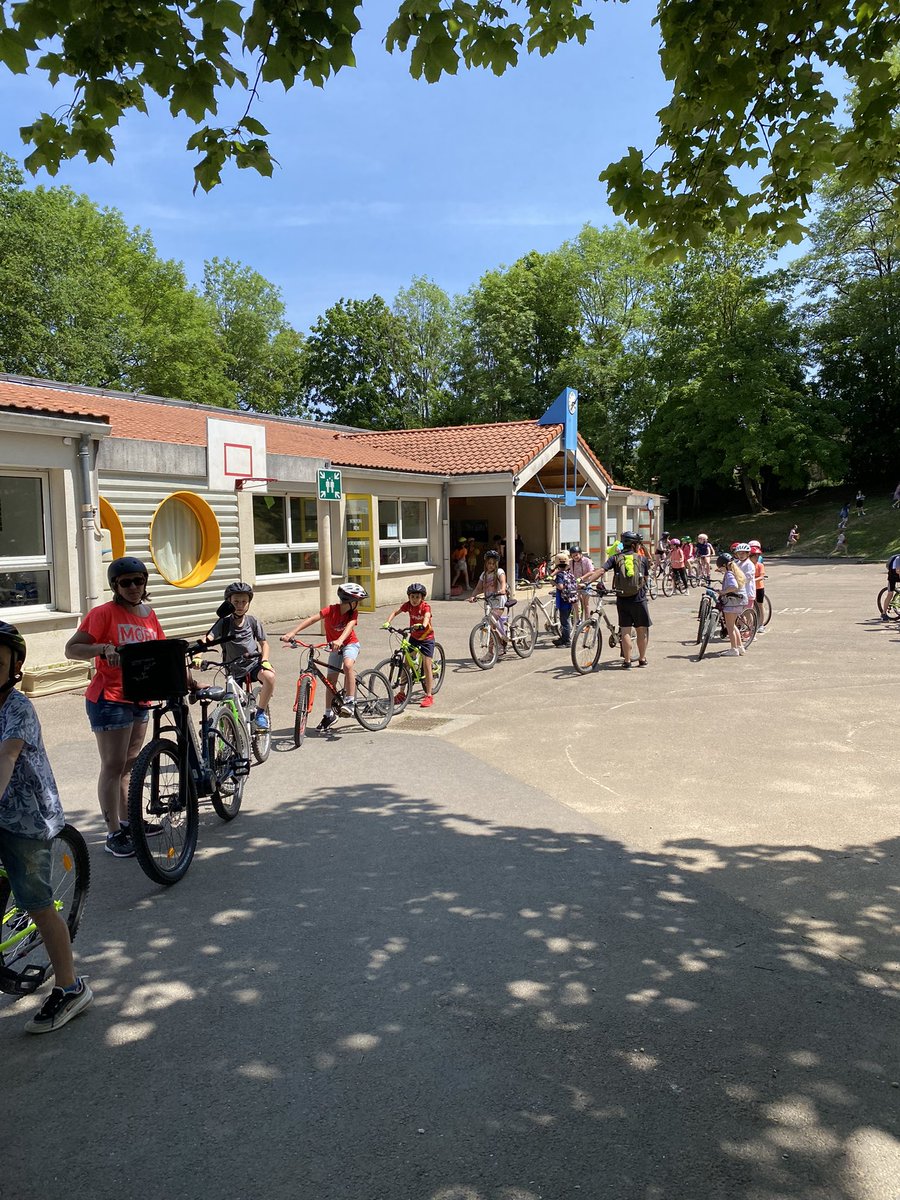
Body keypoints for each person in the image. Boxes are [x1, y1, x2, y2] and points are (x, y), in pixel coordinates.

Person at [0, 622, 94, 1032]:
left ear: (14, 667)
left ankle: (71, 988)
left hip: (25, 818)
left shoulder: (18, 708)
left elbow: (6, 757)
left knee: (37, 903)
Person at [65, 557, 164, 858]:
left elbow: (160, 650)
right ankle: (112, 834)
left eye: (139, 581)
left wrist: (188, 679)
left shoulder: (149, 615)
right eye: (126, 582)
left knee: (130, 764)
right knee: (112, 765)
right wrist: (102, 648)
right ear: (115, 586)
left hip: (140, 697)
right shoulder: (103, 613)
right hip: (109, 698)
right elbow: (72, 648)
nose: (134, 587)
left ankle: (129, 821)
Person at [281, 582, 368, 731]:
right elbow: (312, 619)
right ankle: (329, 715)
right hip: (333, 647)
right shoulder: (331, 610)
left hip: (349, 644)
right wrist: (292, 633)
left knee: (348, 665)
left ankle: (350, 701)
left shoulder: (353, 613)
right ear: (351, 602)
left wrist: (340, 640)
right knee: (330, 681)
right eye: (357, 602)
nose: (358, 604)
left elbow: (349, 628)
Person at [203, 582, 275, 729]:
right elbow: (207, 640)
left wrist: (265, 660)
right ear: (228, 602)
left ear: (248, 603)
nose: (240, 605)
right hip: (233, 669)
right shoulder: (223, 623)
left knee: (270, 677)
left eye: (244, 602)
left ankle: (260, 713)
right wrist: (197, 655)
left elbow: (264, 644)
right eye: (236, 601)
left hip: (253, 664)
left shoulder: (253, 621)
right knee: (231, 706)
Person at [581, 530, 651, 668]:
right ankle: (642, 659)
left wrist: (586, 583)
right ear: (634, 545)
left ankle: (627, 661)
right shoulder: (642, 559)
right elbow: (646, 579)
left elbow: (601, 571)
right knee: (641, 630)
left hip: (622, 598)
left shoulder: (615, 558)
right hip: (639, 599)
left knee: (625, 630)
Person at [383, 583, 437, 707]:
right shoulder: (408, 605)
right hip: (414, 637)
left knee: (427, 665)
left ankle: (428, 695)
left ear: (422, 598)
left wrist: (423, 624)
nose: (414, 600)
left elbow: (427, 617)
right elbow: (396, 612)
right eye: (412, 597)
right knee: (405, 664)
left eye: (417, 597)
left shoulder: (425, 607)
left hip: (426, 638)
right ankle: (402, 693)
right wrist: (387, 622)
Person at [469, 548, 508, 644]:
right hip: (489, 603)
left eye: (493, 563)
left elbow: (503, 582)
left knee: (490, 626)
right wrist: (473, 596)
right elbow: (478, 588)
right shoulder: (484, 575)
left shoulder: (499, 572)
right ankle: (500, 644)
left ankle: (491, 653)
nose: (491, 565)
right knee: (490, 627)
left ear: (496, 564)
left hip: (499, 603)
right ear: (486, 564)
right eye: (489, 563)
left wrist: (502, 589)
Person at [716, 552, 748, 656]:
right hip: (739, 602)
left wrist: (723, 592)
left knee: (729, 626)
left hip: (732, 602)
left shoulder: (729, 574)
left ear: (724, 565)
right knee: (733, 625)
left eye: (720, 568)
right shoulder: (735, 571)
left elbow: (733, 587)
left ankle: (733, 649)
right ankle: (740, 647)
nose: (720, 570)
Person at [551, 552, 578, 647]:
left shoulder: (560, 575)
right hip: (569, 599)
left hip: (563, 601)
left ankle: (567, 641)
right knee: (565, 620)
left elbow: (561, 586)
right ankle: (563, 638)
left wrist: (553, 582)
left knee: (565, 621)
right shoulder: (568, 573)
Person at [733, 542, 757, 626]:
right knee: (739, 613)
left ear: (748, 554)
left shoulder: (749, 564)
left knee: (747, 612)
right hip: (739, 592)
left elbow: (748, 577)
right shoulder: (738, 563)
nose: (741, 555)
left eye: (743, 553)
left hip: (748, 592)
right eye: (739, 553)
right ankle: (742, 628)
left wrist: (737, 581)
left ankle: (750, 630)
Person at [569, 544, 595, 620]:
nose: (575, 557)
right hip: (576, 585)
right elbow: (564, 568)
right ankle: (578, 621)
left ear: (580, 554)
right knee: (575, 603)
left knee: (585, 604)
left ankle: (586, 623)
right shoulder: (571, 562)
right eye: (573, 556)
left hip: (586, 584)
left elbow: (591, 572)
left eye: (576, 555)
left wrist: (581, 578)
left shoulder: (587, 561)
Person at [748, 542, 767, 635]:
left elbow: (762, 576)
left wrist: (753, 579)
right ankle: (751, 625)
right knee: (750, 606)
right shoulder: (747, 565)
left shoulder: (759, 565)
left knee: (760, 605)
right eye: (754, 556)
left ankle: (761, 625)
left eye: (757, 556)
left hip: (759, 587)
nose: (756, 558)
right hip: (750, 588)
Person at [883, 552, 900, 619]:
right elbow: (898, 570)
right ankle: (883, 613)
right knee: (890, 593)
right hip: (892, 576)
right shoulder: (898, 559)